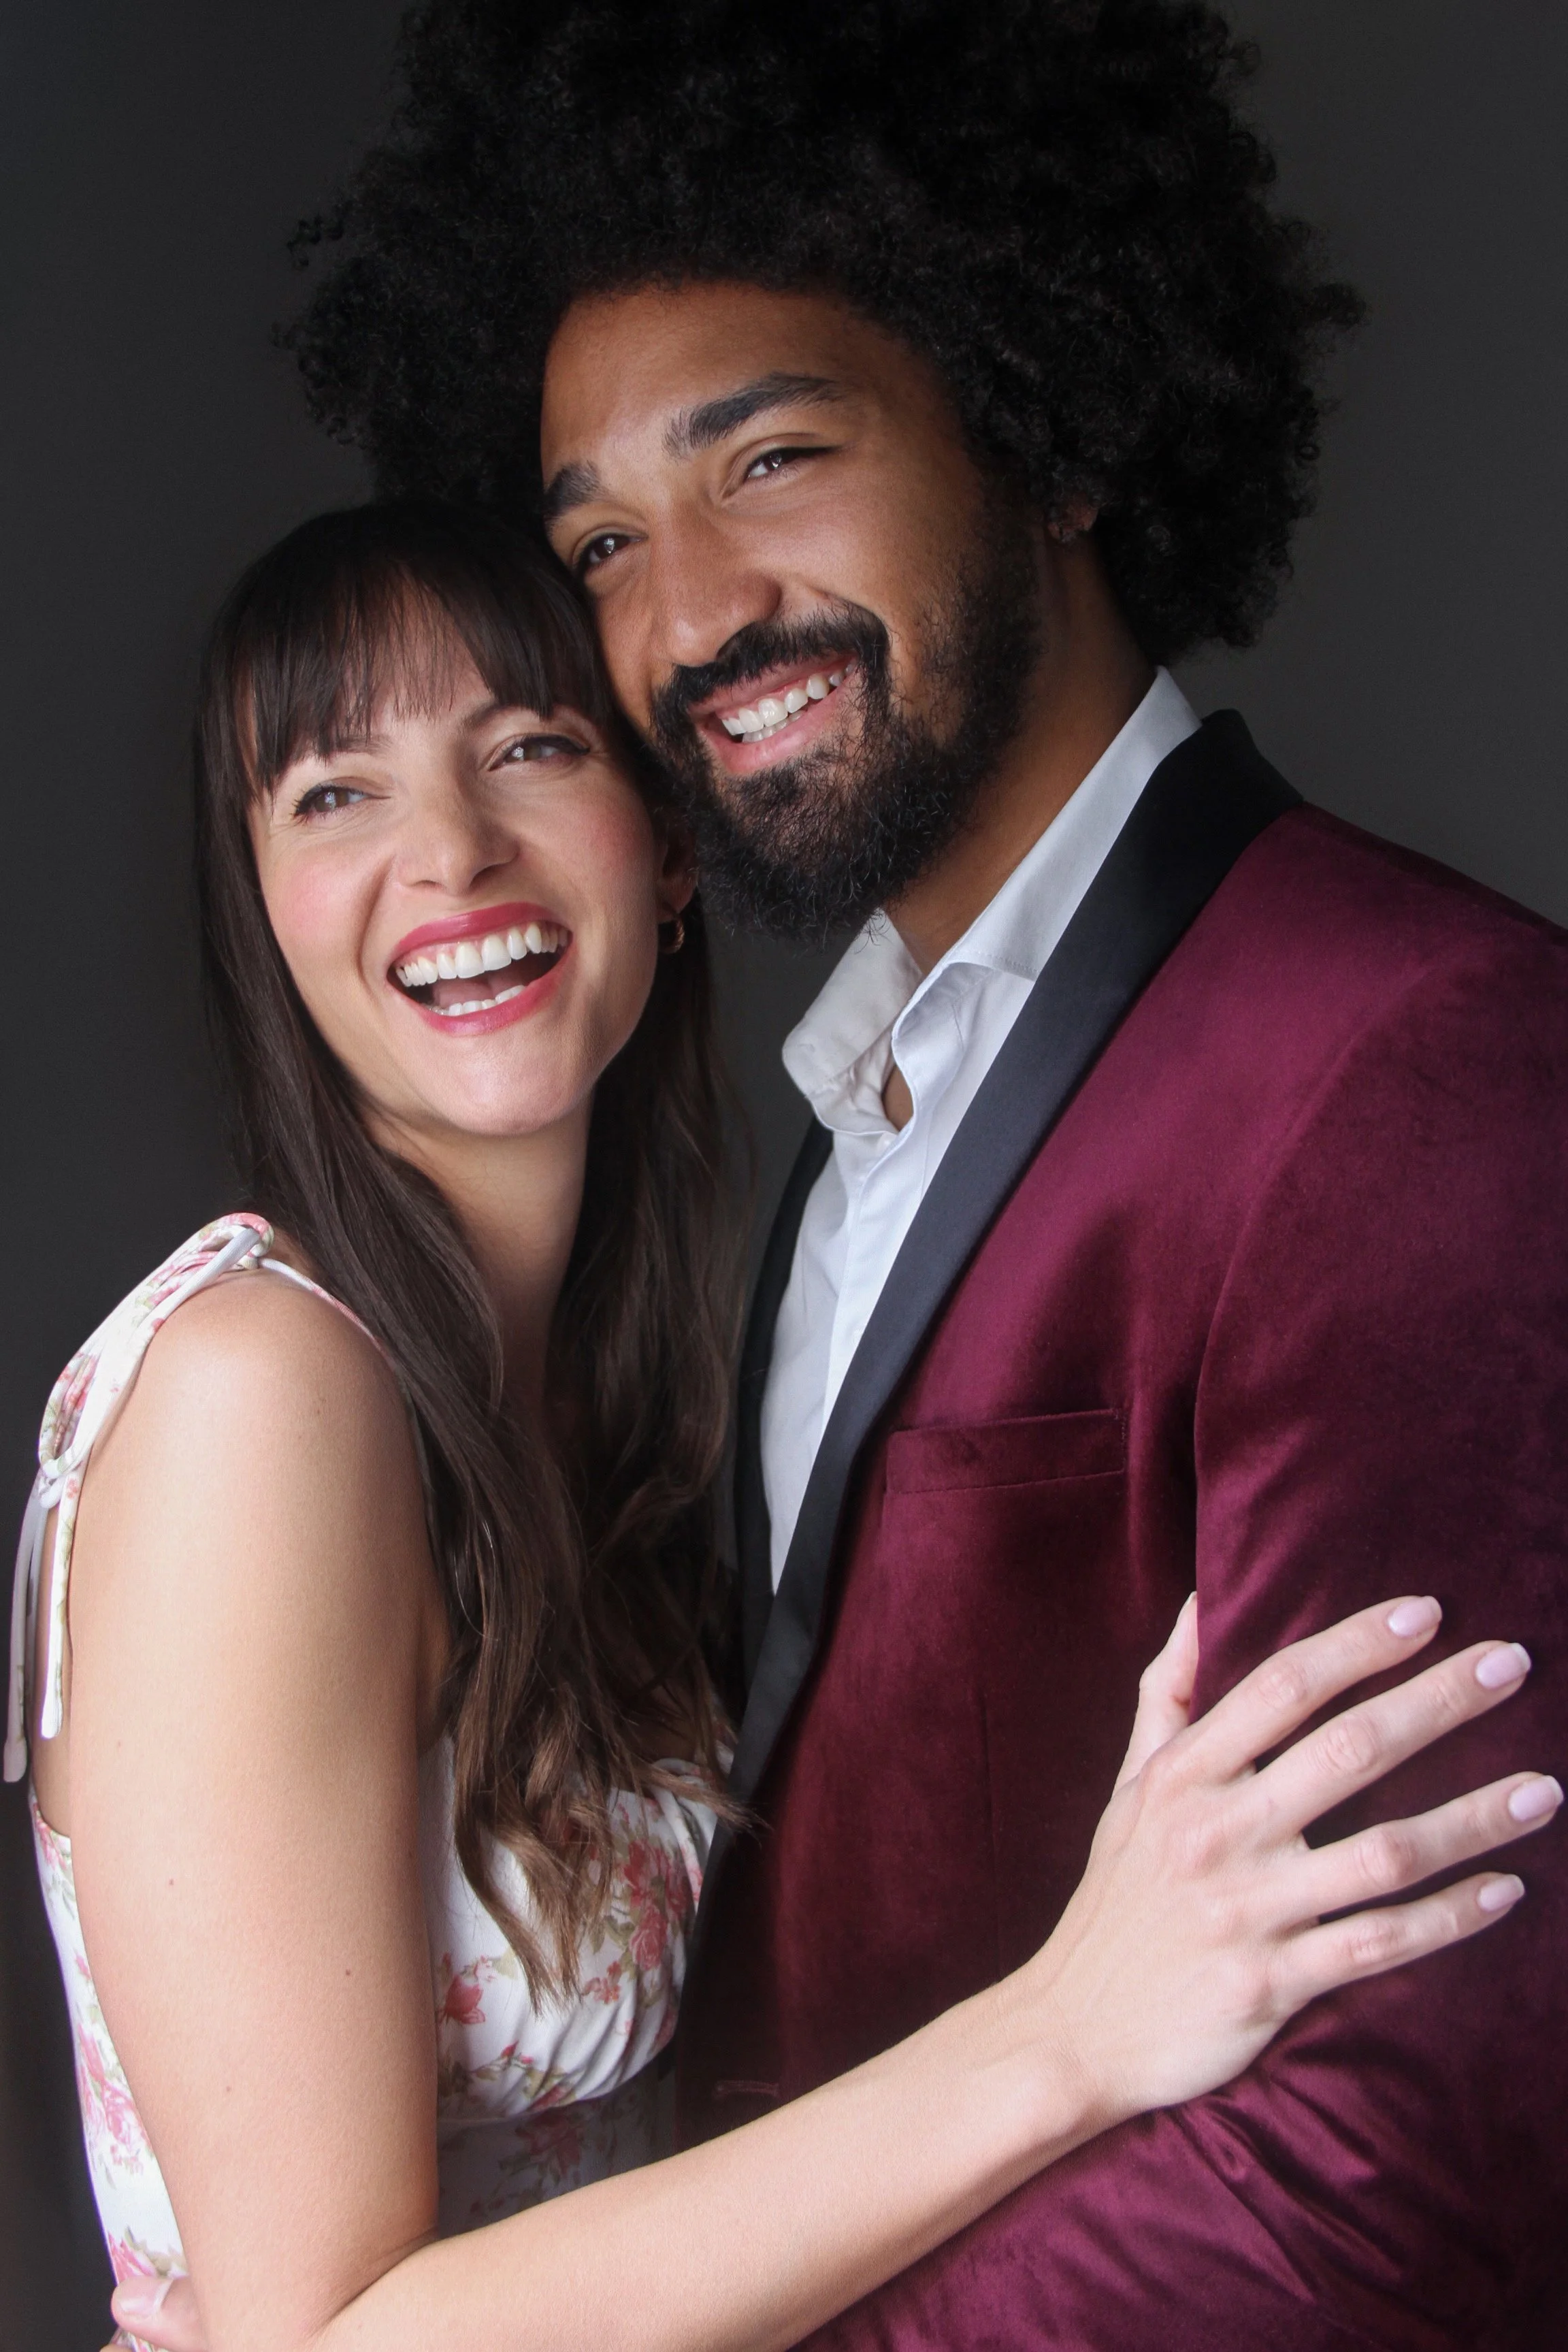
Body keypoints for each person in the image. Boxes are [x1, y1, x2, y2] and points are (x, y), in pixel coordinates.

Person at [106, 3, 1561, 2347]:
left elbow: (1385, 2168)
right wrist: (1056, 2039)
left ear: (1050, 430)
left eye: (770, 458)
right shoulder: (814, 1156)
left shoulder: (1417, 1060)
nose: (685, 616)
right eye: (601, 541)